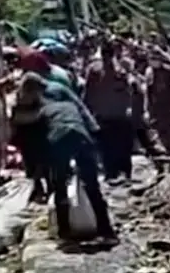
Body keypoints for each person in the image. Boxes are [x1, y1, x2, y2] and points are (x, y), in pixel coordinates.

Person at [16, 73, 117, 243]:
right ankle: (107, 231)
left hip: (59, 140)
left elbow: (36, 140)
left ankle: (64, 233)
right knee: (92, 186)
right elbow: (83, 110)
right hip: (82, 137)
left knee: (60, 186)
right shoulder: (67, 103)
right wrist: (96, 135)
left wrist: (37, 168)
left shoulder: (42, 111)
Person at [84, 41, 137, 181]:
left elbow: (130, 90)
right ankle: (112, 173)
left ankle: (124, 173)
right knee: (107, 147)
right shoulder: (95, 70)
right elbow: (88, 92)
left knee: (122, 146)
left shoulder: (121, 69)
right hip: (105, 115)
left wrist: (131, 108)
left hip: (119, 115)